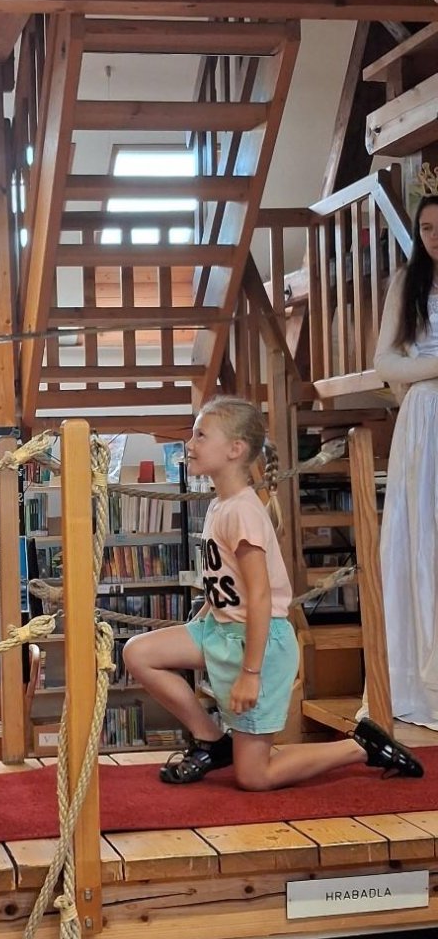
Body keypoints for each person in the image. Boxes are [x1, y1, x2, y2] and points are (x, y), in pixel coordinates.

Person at [123, 395, 423, 789]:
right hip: (220, 632)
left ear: (235, 449)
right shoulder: (220, 505)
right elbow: (223, 579)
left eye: (201, 435)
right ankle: (211, 740)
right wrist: (202, 618)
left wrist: (250, 674)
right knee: (139, 653)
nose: (190, 444)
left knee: (254, 776)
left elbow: (260, 596)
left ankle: (360, 747)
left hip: (259, 647)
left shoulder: (243, 512)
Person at [374, 190, 438, 729]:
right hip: (425, 416)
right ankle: (418, 682)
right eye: (427, 229)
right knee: (421, 535)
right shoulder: (406, 283)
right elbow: (386, 362)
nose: (434, 237)